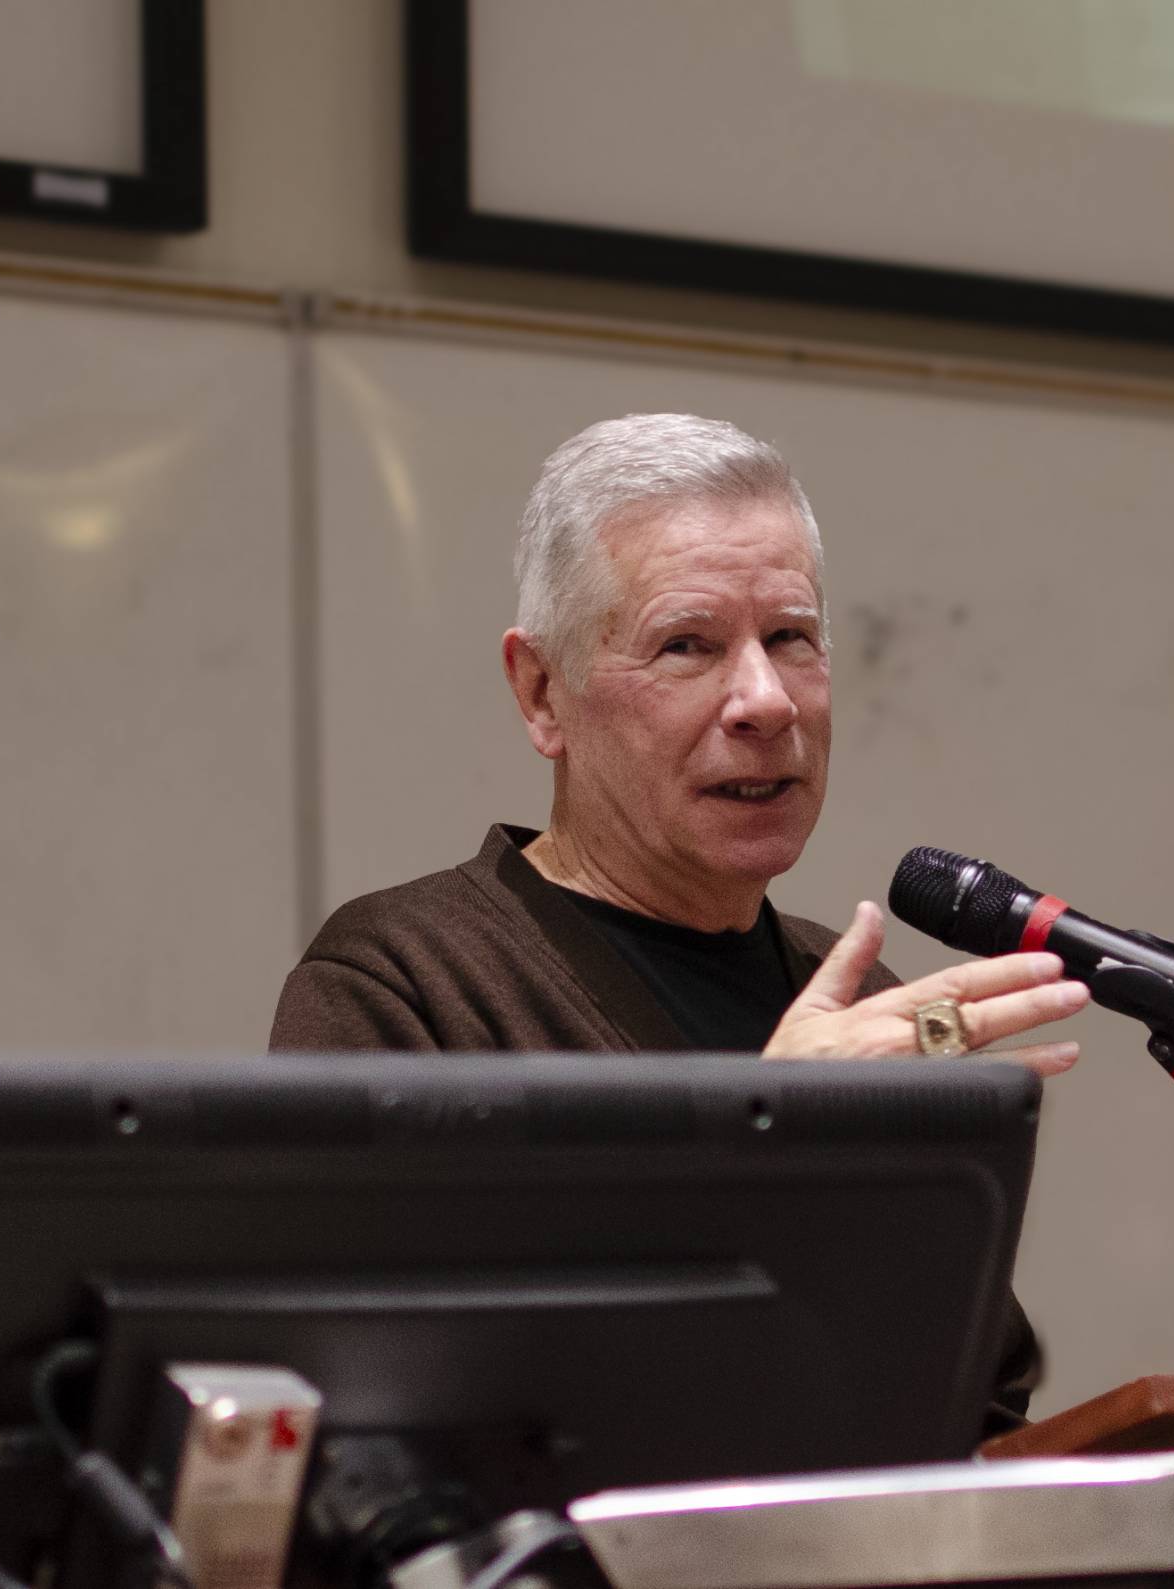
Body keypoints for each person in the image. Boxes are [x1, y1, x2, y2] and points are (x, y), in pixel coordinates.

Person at [270, 413, 1089, 1427]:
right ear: (542, 693)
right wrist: (766, 1154)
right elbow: (386, 1407)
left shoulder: (860, 1005)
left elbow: (974, 1395)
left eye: (791, 638)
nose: (764, 700)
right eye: (688, 645)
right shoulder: (409, 981)